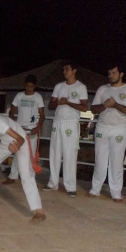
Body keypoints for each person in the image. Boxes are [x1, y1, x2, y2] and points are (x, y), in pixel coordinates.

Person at [87, 64, 126, 202]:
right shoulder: (102, 89)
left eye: (114, 73)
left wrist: (116, 105)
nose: (111, 75)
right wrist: (105, 105)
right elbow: (93, 109)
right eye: (109, 73)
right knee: (100, 159)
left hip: (119, 129)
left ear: (121, 74)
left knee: (116, 161)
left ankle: (116, 192)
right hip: (102, 128)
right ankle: (95, 189)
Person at [43, 61, 88, 197]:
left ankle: (70, 186)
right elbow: (50, 105)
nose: (64, 71)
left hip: (71, 124)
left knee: (69, 154)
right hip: (58, 123)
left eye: (67, 69)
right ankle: (53, 183)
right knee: (54, 153)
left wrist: (68, 102)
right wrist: (57, 102)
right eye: (63, 69)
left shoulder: (81, 87)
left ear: (74, 71)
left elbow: (84, 107)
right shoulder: (59, 86)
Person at [4, 74, 45, 185]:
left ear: (34, 86)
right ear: (24, 85)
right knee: (17, 151)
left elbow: (42, 115)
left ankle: (30, 178)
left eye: (31, 86)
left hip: (31, 129)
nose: (29, 88)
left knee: (31, 154)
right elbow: (11, 112)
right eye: (27, 86)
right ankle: (13, 176)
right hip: (19, 129)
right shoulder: (19, 95)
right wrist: (14, 126)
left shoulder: (38, 97)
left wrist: (37, 128)